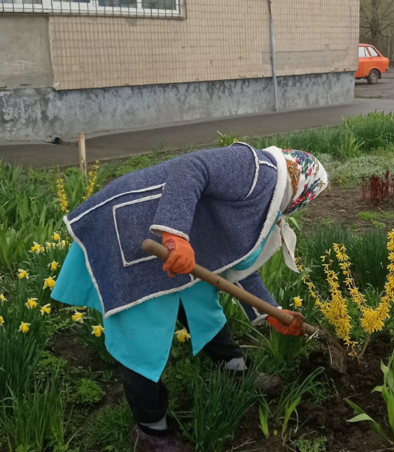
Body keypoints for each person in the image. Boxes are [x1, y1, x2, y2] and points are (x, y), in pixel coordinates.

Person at [52, 142, 329, 452]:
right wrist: (175, 234)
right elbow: (191, 168)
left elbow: (235, 263)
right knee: (141, 336)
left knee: (201, 305)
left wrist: (272, 313)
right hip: (129, 230)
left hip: (168, 240)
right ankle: (151, 431)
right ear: (302, 189)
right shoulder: (258, 169)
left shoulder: (267, 204)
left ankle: (234, 369)